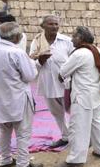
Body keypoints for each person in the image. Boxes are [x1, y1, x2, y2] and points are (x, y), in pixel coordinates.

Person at [0, 22, 42, 167]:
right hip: (17, 97)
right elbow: (29, 76)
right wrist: (34, 63)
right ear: (17, 37)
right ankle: (23, 164)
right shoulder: (17, 53)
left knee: (4, 130)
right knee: (23, 132)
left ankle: (5, 160)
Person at [54, 26, 100, 167]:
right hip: (96, 93)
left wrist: (61, 76)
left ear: (81, 38)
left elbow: (63, 72)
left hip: (82, 95)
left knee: (79, 126)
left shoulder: (80, 54)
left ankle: (76, 159)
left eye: (74, 36)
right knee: (97, 122)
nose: (72, 39)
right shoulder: (98, 51)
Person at [29, 15, 74, 147]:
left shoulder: (66, 41)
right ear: (43, 26)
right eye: (50, 24)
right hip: (47, 82)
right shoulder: (37, 42)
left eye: (56, 24)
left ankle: (79, 137)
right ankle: (66, 136)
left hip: (66, 82)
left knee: (73, 110)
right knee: (57, 112)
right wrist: (40, 60)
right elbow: (31, 62)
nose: (54, 26)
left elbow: (75, 58)